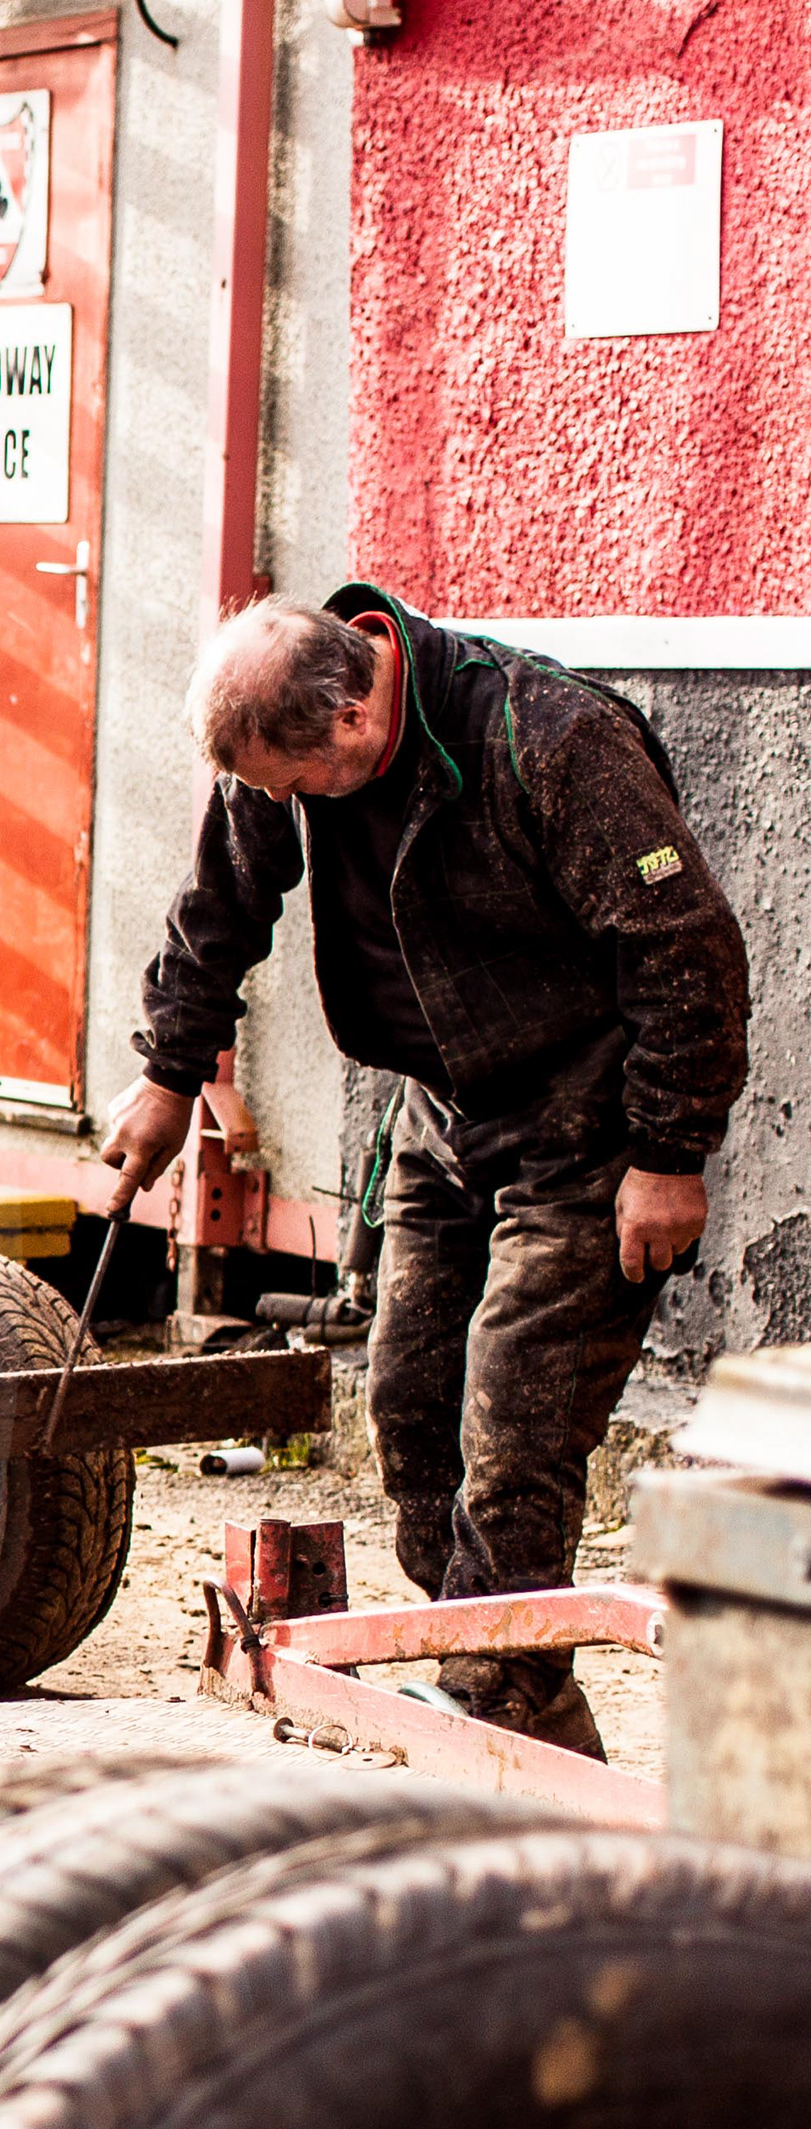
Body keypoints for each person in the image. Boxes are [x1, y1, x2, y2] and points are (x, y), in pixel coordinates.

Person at [105, 587, 748, 1760]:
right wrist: (167, 1072)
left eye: (292, 785)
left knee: (516, 1433)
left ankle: (502, 1704)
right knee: (410, 1405)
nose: (278, 808)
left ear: (352, 719)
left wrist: (669, 1153)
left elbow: (684, 941)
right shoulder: (281, 750)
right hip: (444, 1114)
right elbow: (221, 907)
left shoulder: (548, 739)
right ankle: (495, 1676)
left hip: (586, 1123)